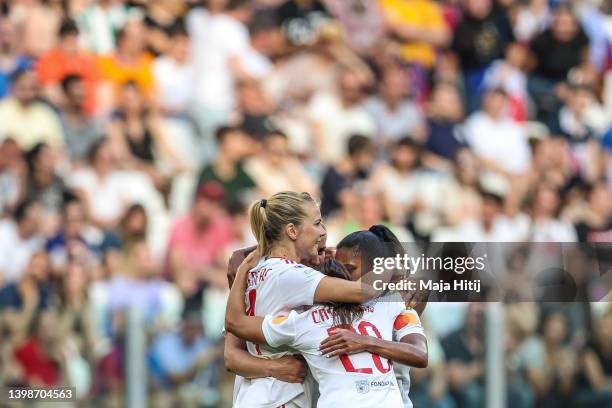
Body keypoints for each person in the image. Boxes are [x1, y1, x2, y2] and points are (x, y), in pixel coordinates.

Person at [226, 225, 428, 407]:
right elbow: (234, 340)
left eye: (351, 269)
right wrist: (248, 261)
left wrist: (366, 342)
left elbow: (420, 354)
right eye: (342, 269)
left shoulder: (394, 303)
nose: (346, 277)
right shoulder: (307, 312)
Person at [224, 191, 375, 407]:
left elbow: (232, 350)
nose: (323, 231)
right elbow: (362, 291)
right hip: (280, 396)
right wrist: (398, 266)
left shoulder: (253, 271)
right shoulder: (292, 275)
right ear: (292, 231)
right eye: (317, 223)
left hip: (254, 396)